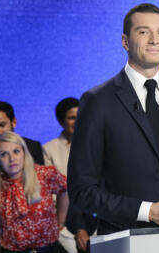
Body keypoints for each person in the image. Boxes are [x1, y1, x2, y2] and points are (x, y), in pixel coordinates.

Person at [67, 3, 159, 235]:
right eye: (144, 32)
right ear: (125, 41)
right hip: (125, 238)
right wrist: (148, 211)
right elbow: (81, 191)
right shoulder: (97, 101)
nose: (154, 40)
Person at [0, 131, 67, 252]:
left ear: (24, 153)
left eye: (16, 151)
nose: (12, 159)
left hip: (47, 249)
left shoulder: (45, 174)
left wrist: (61, 221)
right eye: (4, 154)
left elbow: (64, 189)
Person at [44, 97, 97, 253]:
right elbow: (52, 190)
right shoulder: (48, 149)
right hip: (63, 214)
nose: (77, 121)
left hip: (94, 210)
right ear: (61, 122)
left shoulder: (95, 143)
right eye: (72, 118)